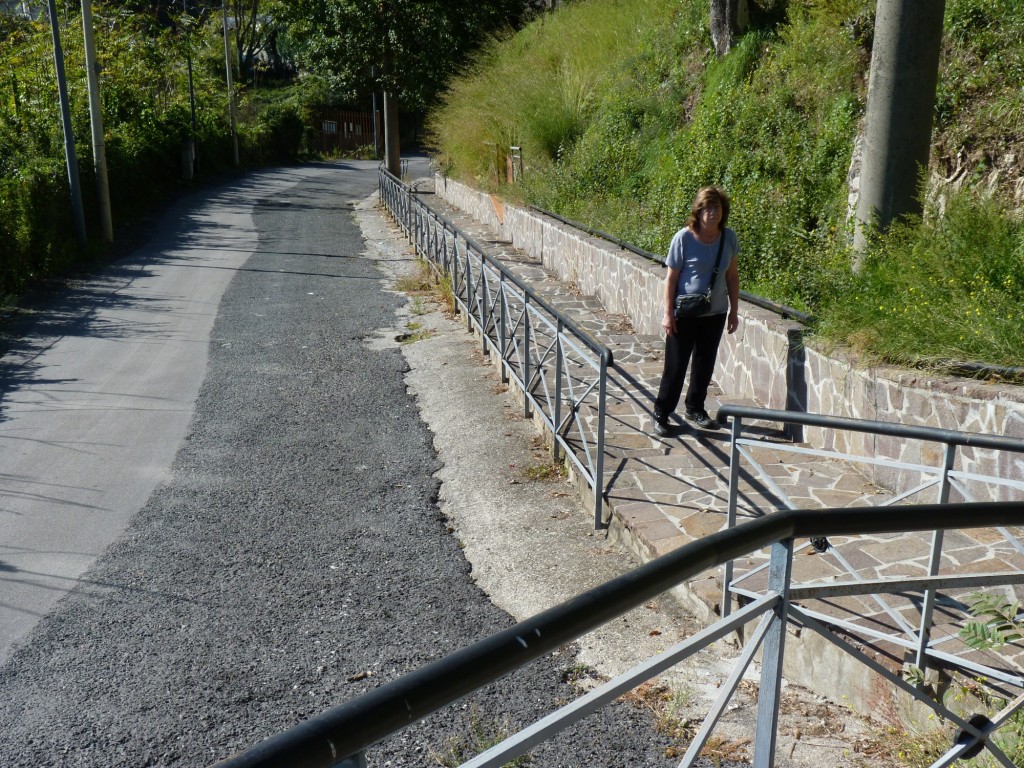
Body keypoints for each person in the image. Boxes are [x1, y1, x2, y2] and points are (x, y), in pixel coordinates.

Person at [652, 186, 740, 437]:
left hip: (715, 313)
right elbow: (671, 279)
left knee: (704, 363)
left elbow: (732, 277)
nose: (713, 213)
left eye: (718, 208)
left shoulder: (729, 238)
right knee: (676, 365)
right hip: (685, 313)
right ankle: (661, 412)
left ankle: (695, 408)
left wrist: (734, 311)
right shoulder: (684, 238)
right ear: (699, 211)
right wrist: (668, 314)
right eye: (708, 208)